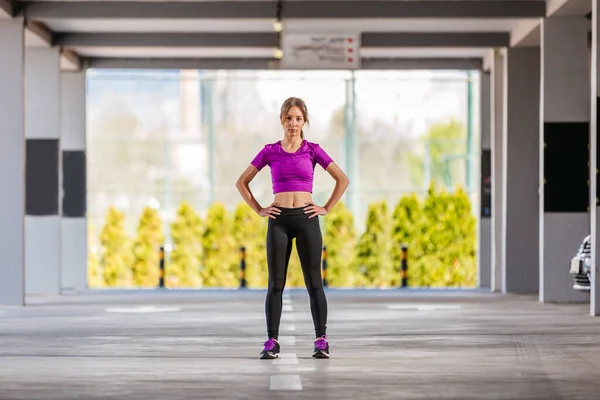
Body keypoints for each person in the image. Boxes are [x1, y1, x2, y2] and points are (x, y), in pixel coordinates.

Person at [235, 97, 350, 359]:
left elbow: (342, 179)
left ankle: (321, 339)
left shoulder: (312, 150)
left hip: (307, 218)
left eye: (298, 118)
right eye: (289, 118)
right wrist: (259, 209)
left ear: (304, 121)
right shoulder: (269, 151)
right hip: (279, 221)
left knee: (314, 284)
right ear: (282, 120)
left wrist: (326, 207)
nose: (293, 124)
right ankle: (272, 342)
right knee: (275, 283)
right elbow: (242, 182)